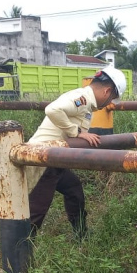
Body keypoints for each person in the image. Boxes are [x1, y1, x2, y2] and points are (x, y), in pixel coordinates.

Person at [26, 65, 127, 239]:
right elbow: (52, 110)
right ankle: (19, 251)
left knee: (73, 189)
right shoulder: (82, 98)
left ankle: (81, 234)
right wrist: (77, 133)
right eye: (112, 99)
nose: (109, 104)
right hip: (44, 158)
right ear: (107, 91)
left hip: (57, 157)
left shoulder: (86, 102)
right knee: (37, 208)